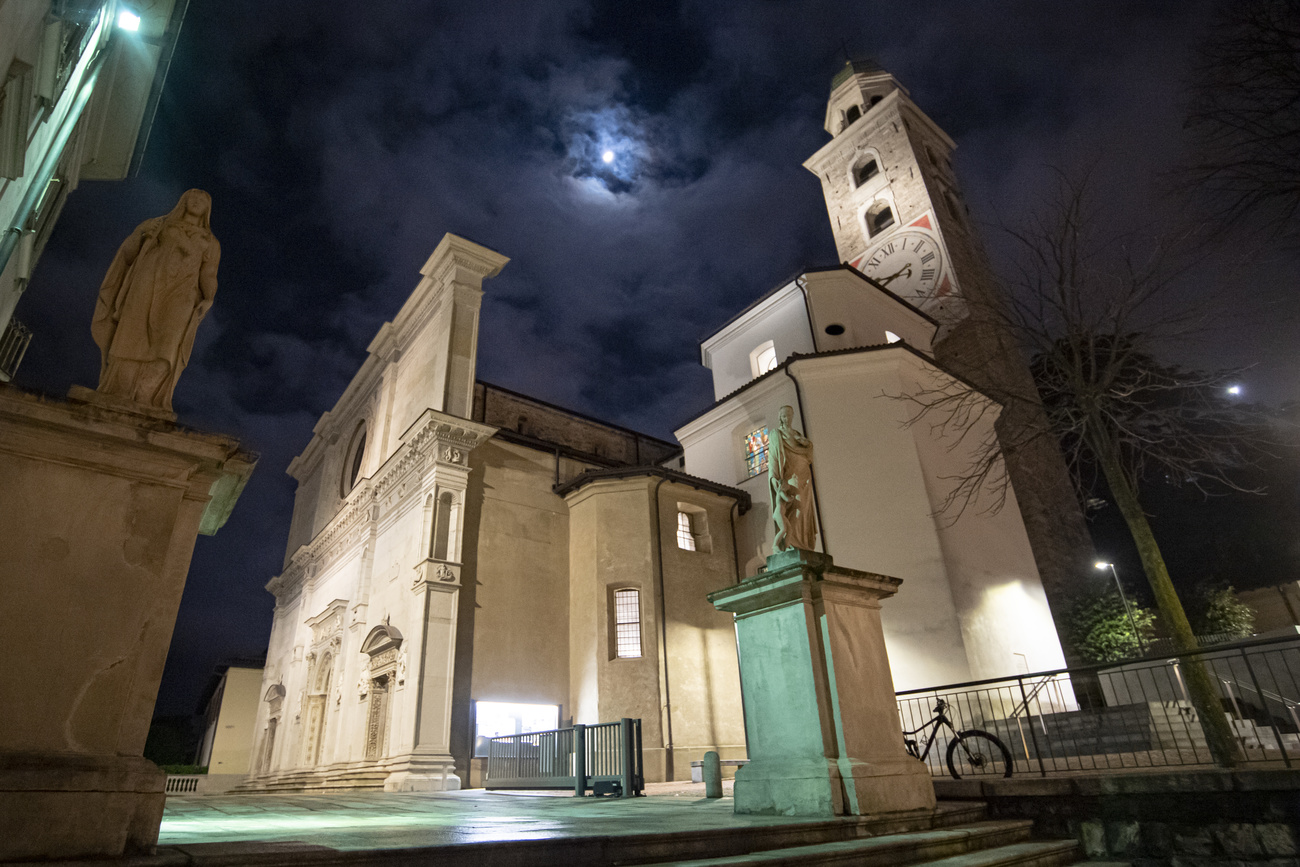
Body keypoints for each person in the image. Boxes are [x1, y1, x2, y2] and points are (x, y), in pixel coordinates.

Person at [91, 189, 220, 411]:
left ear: (207, 209)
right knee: (132, 334)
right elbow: (128, 255)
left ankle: (147, 396)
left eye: (203, 200)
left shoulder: (209, 241)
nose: (197, 202)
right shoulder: (158, 225)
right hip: (147, 283)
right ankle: (117, 390)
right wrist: (139, 236)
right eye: (193, 198)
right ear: (184, 201)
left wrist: (208, 298)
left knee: (169, 342)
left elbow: (208, 274)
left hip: (182, 292)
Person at [768, 404, 818, 552]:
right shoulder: (776, 434)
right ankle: (792, 543)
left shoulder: (797, 435)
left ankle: (802, 544)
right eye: (784, 415)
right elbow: (773, 459)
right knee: (799, 506)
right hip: (790, 476)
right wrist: (773, 478)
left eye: (789, 415)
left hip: (804, 476)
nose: (787, 418)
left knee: (805, 508)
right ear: (780, 418)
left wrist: (807, 444)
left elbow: (809, 456)